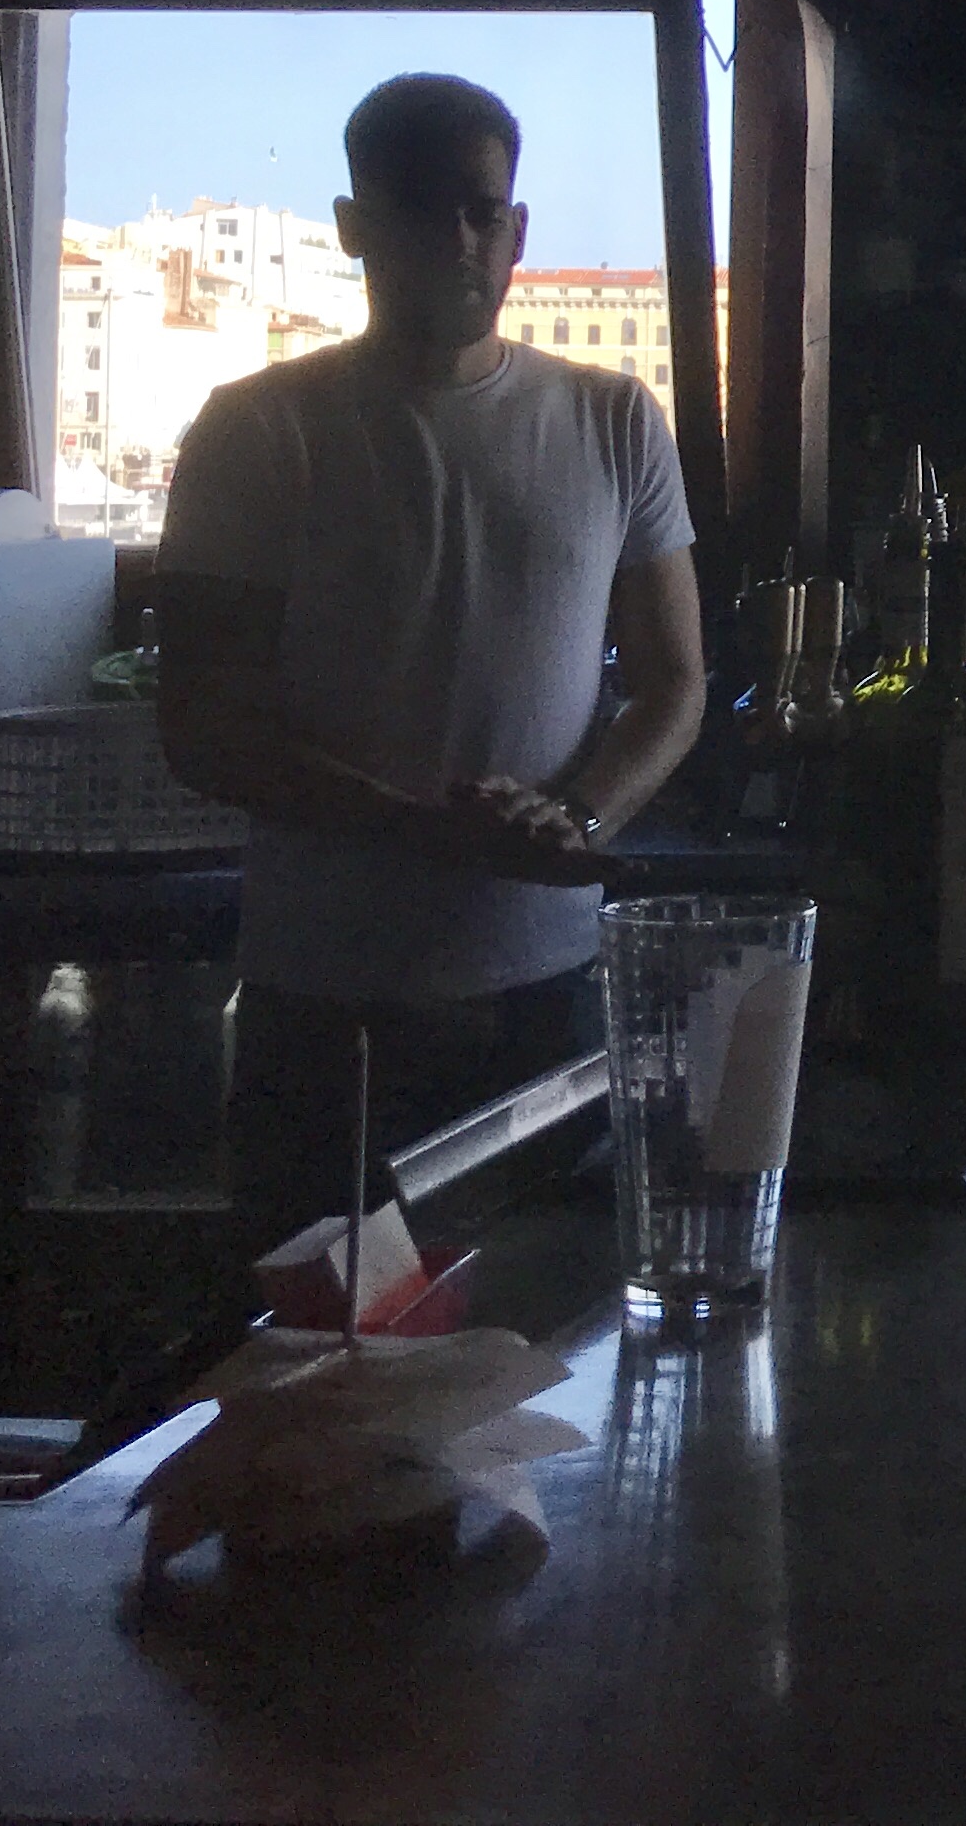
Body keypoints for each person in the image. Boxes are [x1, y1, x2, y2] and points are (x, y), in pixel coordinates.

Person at [162, 74, 707, 1255]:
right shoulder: (256, 429)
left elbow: (678, 682)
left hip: (552, 998)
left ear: (518, 228)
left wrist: (576, 814)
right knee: (321, 1344)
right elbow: (200, 724)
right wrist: (434, 832)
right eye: (420, 210)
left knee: (549, 1342)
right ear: (354, 227)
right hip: (326, 1010)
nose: (459, 240)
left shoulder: (617, 421)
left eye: (482, 211)